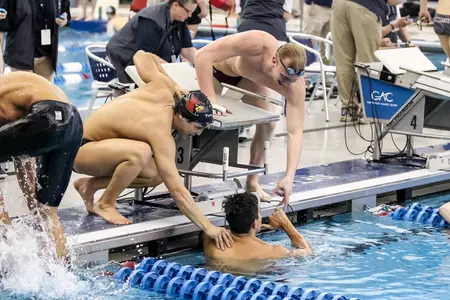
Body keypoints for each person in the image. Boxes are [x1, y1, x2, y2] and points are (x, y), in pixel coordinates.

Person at [73, 50, 233, 250]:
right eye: (197, 127)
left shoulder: (163, 87)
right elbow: (177, 190)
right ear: (183, 117)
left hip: (101, 148)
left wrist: (171, 83)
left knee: (156, 173)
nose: (198, 134)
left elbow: (141, 55)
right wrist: (208, 226)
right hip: (81, 149)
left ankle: (89, 185)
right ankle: (105, 204)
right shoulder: (161, 133)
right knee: (140, 152)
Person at [194, 30, 307, 205]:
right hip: (215, 70)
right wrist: (210, 99)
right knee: (198, 120)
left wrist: (290, 176)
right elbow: (202, 56)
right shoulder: (257, 43)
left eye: (291, 81)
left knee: (268, 125)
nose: (286, 85)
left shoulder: (295, 86)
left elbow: (296, 132)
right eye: (284, 78)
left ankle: (252, 182)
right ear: (274, 61)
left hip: (246, 78)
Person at [0, 71, 84, 260]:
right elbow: (23, 154)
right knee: (47, 211)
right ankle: (63, 274)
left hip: (49, 118)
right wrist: (32, 201)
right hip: (74, 124)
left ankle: (6, 261)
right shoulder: (15, 86)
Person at [330, 0, 403, 122]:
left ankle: (348, 109)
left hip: (339, 5)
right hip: (365, 7)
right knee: (369, 61)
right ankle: (368, 109)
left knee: (343, 61)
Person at [202, 192, 312, 273]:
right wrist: (287, 225)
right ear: (254, 223)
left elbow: (208, 233)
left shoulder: (210, 243)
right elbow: (308, 252)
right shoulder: (274, 251)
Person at [106, 0, 197, 84]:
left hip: (150, 60)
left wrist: (203, 60)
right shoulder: (151, 20)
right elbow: (146, 57)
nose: (189, 15)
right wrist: (177, 71)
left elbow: (187, 49)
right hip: (126, 60)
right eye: (188, 11)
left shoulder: (180, 18)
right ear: (175, 5)